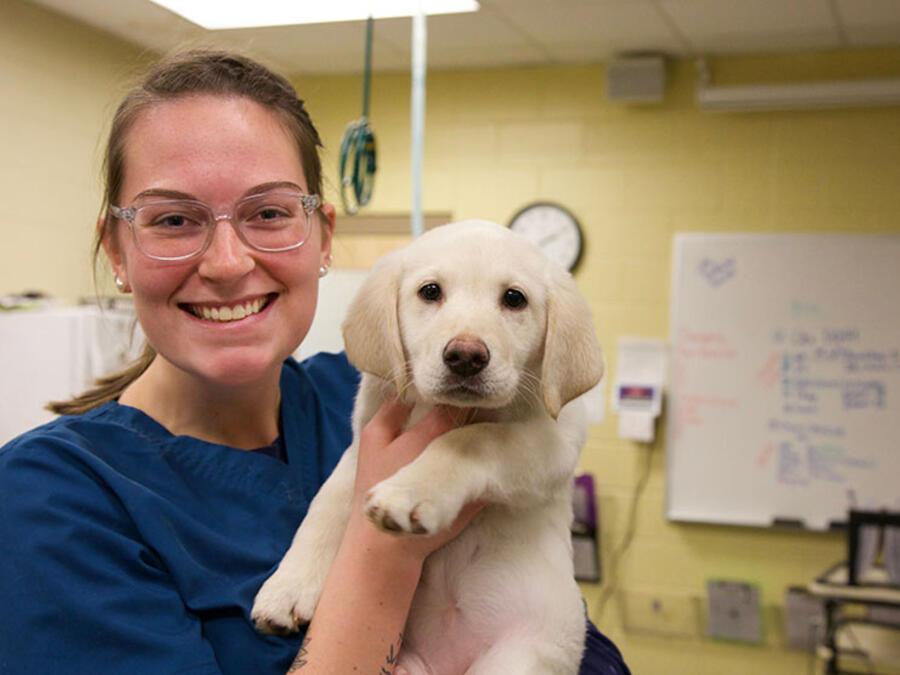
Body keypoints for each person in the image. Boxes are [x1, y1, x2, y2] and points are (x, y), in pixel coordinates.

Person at [0, 50, 629, 674]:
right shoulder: (45, 500)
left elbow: (566, 634)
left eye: (268, 213)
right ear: (117, 248)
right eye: (172, 219)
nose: (226, 263)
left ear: (323, 237)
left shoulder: (367, 393)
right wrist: (384, 553)